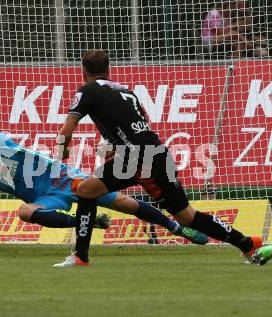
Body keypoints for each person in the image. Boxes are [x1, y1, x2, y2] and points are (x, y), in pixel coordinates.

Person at [54, 49, 262, 267]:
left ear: (83, 72)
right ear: (108, 70)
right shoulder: (127, 92)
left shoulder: (87, 90)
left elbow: (66, 131)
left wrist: (62, 152)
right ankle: (247, 243)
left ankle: (80, 257)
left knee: (86, 190)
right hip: (155, 152)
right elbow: (138, 129)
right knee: (186, 215)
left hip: (137, 158)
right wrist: (115, 148)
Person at [0, 114, 208, 246]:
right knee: (24, 212)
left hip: (64, 178)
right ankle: (86, 222)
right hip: (48, 197)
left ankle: (181, 229)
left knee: (127, 203)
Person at [201, 0, 267, 58]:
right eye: (231, 5)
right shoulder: (214, 13)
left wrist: (242, 25)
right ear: (224, 5)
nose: (232, 8)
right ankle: (255, 49)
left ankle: (235, 62)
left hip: (221, 39)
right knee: (234, 34)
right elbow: (218, 32)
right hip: (210, 40)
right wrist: (235, 25)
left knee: (239, 44)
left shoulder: (228, 15)